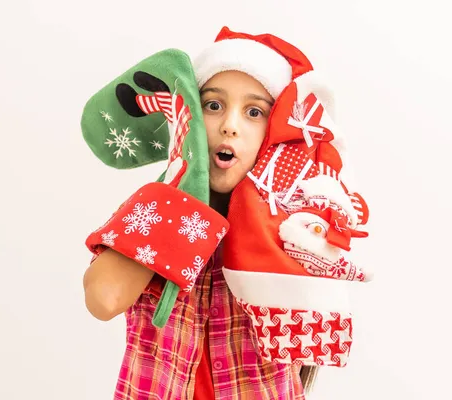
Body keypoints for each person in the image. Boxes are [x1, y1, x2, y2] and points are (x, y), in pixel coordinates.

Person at [83, 26, 333, 399]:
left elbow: (306, 347)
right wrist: (182, 195)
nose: (230, 125)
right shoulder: (156, 203)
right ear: (191, 116)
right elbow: (104, 298)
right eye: (214, 105)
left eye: (253, 112)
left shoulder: (292, 228)